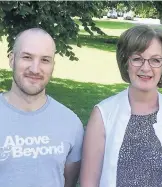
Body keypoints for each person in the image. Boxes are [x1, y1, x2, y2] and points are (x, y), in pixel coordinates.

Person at [80, 25, 162, 187]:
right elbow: (88, 183)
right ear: (126, 62)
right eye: (137, 58)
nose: (145, 68)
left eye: (155, 60)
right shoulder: (103, 114)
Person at [0, 28, 84, 187]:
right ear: (12, 59)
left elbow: (69, 182)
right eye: (27, 57)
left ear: (53, 65)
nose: (35, 69)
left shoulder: (71, 123)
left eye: (45, 60)